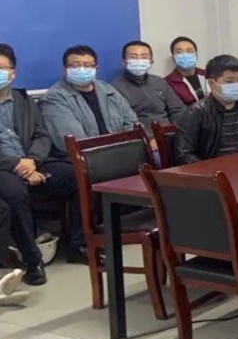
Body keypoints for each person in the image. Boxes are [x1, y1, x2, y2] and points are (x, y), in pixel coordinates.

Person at [0, 44, 85, 284]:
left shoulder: (23, 100)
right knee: (15, 193)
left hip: (33, 160)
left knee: (77, 174)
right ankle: (32, 261)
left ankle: (78, 245)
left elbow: (41, 135)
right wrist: (18, 165)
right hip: (4, 168)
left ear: (13, 73)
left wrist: (33, 161)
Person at [41, 45, 138, 158]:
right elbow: (73, 140)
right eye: (75, 66)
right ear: (64, 69)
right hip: (85, 157)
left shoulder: (108, 89)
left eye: (87, 65)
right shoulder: (54, 98)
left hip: (121, 150)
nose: (81, 69)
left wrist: (126, 147)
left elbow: (132, 122)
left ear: (96, 69)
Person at [110, 41, 186, 138]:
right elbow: (122, 124)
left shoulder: (160, 82)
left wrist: (178, 132)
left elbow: (178, 110)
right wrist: (149, 139)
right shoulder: (114, 88)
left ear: (151, 61)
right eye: (133, 57)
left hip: (169, 134)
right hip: (141, 139)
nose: (139, 60)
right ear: (124, 61)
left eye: (144, 57)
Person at [164, 36, 206, 108]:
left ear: (196, 56)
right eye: (179, 52)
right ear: (173, 58)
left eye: (189, 51)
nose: (185, 55)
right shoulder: (167, 84)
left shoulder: (208, 75)